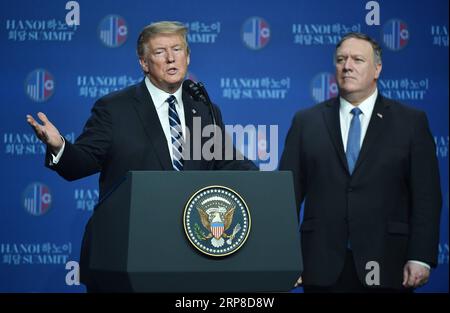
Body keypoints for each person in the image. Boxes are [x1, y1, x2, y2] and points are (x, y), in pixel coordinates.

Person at [26, 21, 257, 291]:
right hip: (128, 250)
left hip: (190, 249)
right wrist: (59, 146)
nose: (171, 58)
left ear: (188, 56)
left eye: (177, 49)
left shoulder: (203, 108)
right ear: (144, 63)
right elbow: (81, 162)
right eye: (160, 52)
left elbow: (225, 161)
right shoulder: (115, 108)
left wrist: (262, 181)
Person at [279, 32, 441, 292]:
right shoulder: (305, 122)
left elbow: (426, 197)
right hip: (320, 266)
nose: (347, 66)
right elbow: (286, 197)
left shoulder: (411, 122)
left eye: (357, 59)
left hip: (389, 263)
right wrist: (286, 259)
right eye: (341, 59)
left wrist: (420, 256)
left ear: (377, 68)